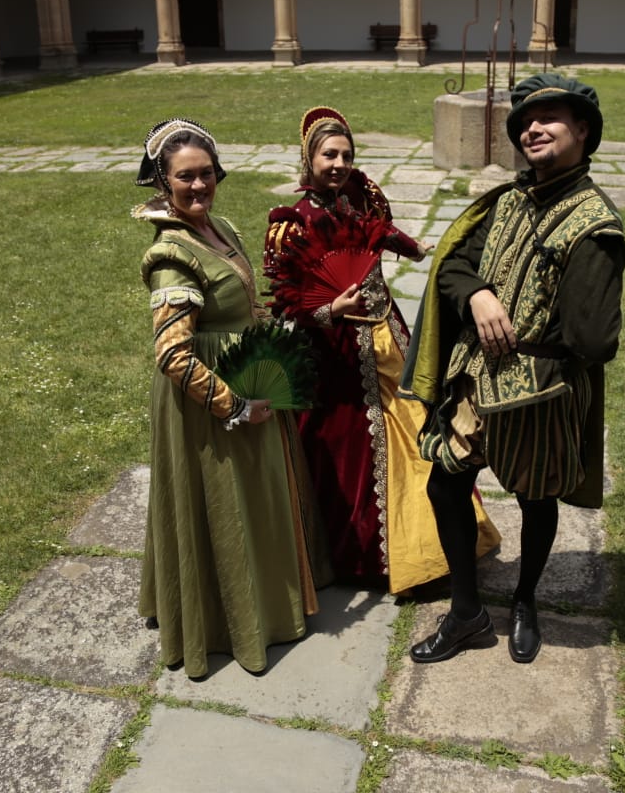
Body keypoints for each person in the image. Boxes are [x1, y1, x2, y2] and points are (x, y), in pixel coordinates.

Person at [400, 74, 625, 664]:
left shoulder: (595, 226)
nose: (534, 126)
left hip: (543, 396)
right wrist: (478, 294)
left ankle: (525, 598)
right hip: (476, 383)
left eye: (551, 116)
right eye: (526, 119)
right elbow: (452, 269)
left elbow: (594, 340)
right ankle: (467, 612)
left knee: (535, 497)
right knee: (445, 481)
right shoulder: (506, 202)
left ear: (583, 131)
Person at [264, 106, 499, 594]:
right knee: (357, 449)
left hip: (386, 334)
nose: (339, 163)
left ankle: (436, 544)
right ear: (308, 157)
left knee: (418, 429)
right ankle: (375, 558)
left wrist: (417, 249)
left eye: (346, 154)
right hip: (338, 360)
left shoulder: (354, 200)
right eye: (329, 154)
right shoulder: (294, 224)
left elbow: (377, 232)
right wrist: (331, 308)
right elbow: (289, 306)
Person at [134, 117, 324, 679]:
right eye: (184, 177)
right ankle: (226, 623)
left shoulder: (220, 228)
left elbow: (243, 302)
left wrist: (272, 335)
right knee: (221, 509)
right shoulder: (171, 255)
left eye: (207, 174)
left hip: (246, 378)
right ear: (162, 183)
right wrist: (235, 406)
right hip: (209, 409)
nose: (198, 186)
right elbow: (173, 356)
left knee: (254, 506)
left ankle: (261, 604)